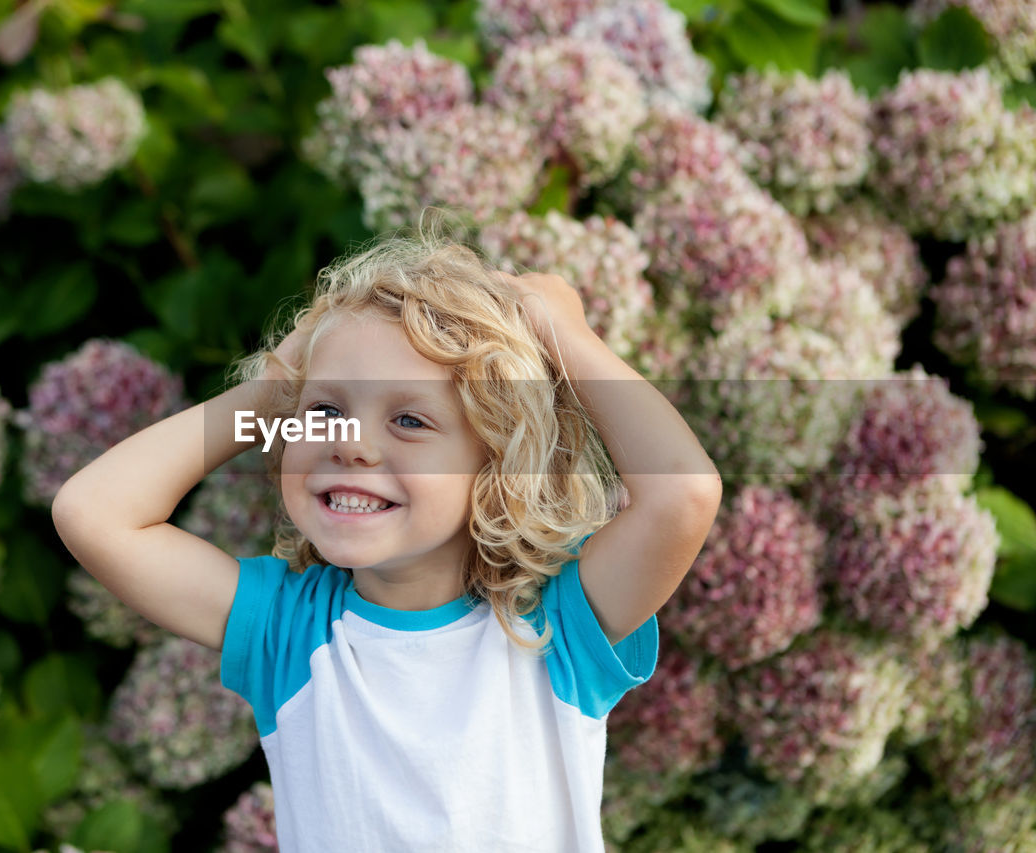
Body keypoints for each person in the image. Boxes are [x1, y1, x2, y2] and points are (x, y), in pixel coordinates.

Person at [51, 211, 722, 852]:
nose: (352, 445)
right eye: (326, 411)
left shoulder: (557, 624)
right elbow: (94, 513)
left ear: (498, 463)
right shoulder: (288, 629)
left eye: (409, 420)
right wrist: (271, 390)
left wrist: (564, 334)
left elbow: (683, 494)